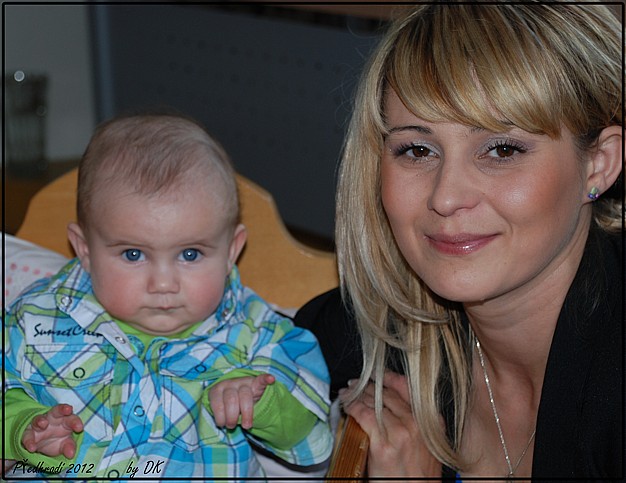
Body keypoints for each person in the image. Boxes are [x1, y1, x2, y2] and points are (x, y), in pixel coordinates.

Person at [295, 2, 623, 480]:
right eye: (417, 149)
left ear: (599, 163)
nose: (445, 198)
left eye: (501, 149)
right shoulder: (364, 336)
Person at [4, 113, 333, 479]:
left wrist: (263, 402)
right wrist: (21, 427)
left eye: (190, 254)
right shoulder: (35, 317)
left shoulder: (260, 333)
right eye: (133, 254)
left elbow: (312, 442)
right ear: (84, 250)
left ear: (231, 251)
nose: (163, 283)